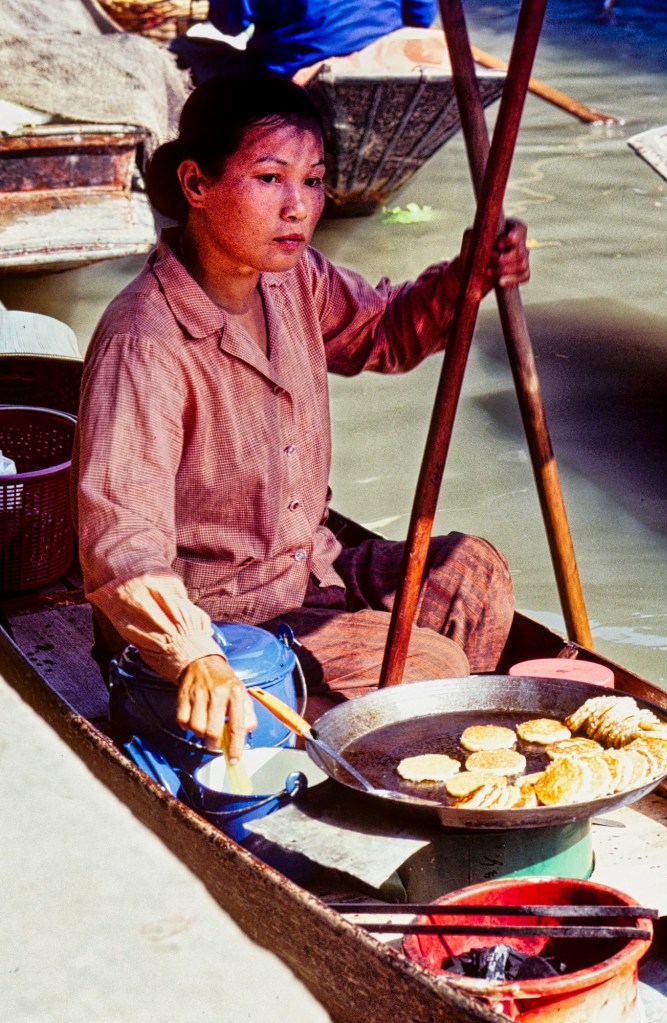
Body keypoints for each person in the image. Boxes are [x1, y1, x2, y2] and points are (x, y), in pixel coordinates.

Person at [73, 71, 530, 766]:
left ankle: (390, 745)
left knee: (473, 572)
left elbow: (384, 330)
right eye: (269, 178)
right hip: (225, 620)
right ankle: (373, 742)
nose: (298, 207)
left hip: (309, 572)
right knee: (431, 669)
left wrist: (471, 273)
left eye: (313, 181)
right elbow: (122, 545)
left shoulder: (294, 278)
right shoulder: (145, 339)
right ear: (196, 185)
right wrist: (193, 651)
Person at [172, 1, 438, 83]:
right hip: (378, 59)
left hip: (285, 71)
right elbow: (420, 17)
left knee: (182, 49)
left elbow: (228, 24)